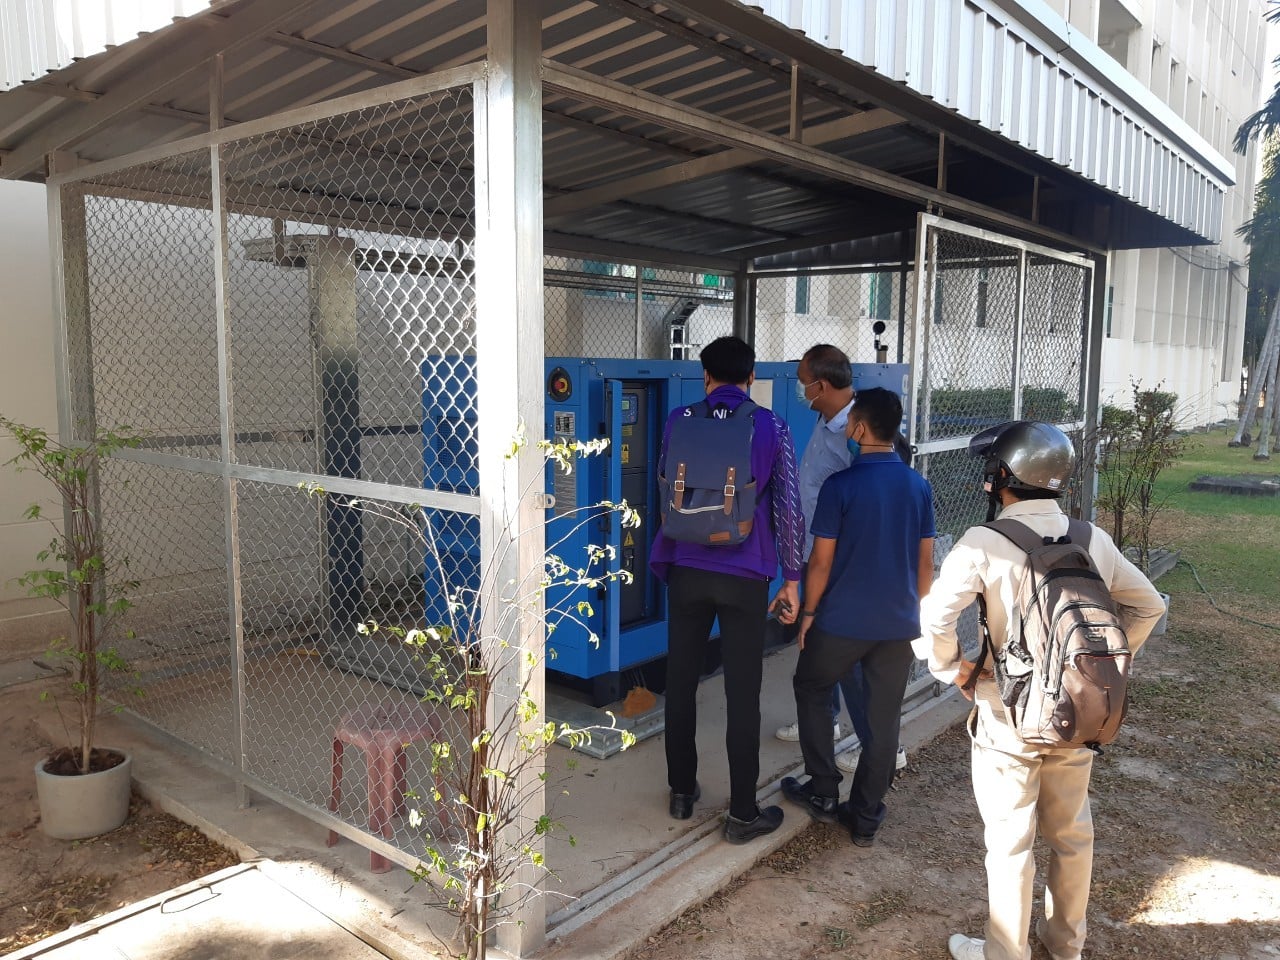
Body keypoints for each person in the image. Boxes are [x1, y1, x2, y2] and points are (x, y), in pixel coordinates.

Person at [915, 421, 1165, 960]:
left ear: (1004, 476)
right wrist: (1101, 668)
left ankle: (1006, 953)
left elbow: (934, 618)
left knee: (1011, 844)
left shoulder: (984, 542)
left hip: (1006, 713)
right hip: (1076, 709)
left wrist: (953, 669)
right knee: (1072, 836)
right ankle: (1065, 947)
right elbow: (1149, 605)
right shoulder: (1092, 538)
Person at [650, 335, 805, 844]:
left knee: (680, 681)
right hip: (745, 572)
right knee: (743, 692)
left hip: (686, 564)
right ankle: (742, 813)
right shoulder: (771, 426)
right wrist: (793, 576)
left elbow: (663, 485)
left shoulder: (678, 419)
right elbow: (787, 506)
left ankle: (680, 791)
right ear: (752, 377)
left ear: (706, 377)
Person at [779, 387, 935, 846]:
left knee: (812, 686)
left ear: (861, 429)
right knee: (884, 719)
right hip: (898, 623)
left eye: (850, 422)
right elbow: (925, 564)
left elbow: (820, 562)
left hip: (841, 621)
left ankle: (824, 791)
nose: (847, 427)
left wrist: (809, 613)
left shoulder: (840, 486)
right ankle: (866, 816)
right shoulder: (917, 486)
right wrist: (915, 611)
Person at [774, 344, 908, 776]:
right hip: (817, 547)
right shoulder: (828, 418)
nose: (801, 391)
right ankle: (826, 720)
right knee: (817, 644)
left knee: (844, 653)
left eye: (804, 384)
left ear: (822, 385)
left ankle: (883, 746)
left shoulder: (858, 430)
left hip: (839, 559)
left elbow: (881, 489)